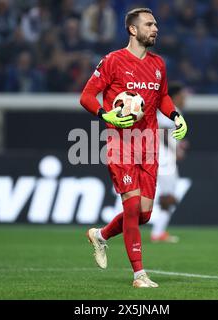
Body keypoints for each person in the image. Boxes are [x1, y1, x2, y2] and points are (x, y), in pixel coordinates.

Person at [80, 8, 188, 288]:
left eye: (156, 25)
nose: (155, 29)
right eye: (149, 25)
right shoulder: (113, 61)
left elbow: (163, 96)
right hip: (121, 144)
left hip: (149, 145)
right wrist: (105, 115)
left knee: (144, 214)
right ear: (132, 29)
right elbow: (87, 96)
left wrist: (175, 116)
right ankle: (139, 274)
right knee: (130, 208)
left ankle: (100, 235)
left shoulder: (158, 64)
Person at [151, 82, 189, 243]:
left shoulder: (166, 110)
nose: (185, 99)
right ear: (175, 97)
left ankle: (158, 231)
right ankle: (158, 232)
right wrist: (176, 150)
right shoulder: (171, 111)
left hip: (161, 156)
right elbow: (163, 133)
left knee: (167, 196)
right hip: (164, 158)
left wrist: (179, 144)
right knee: (169, 196)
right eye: (183, 96)